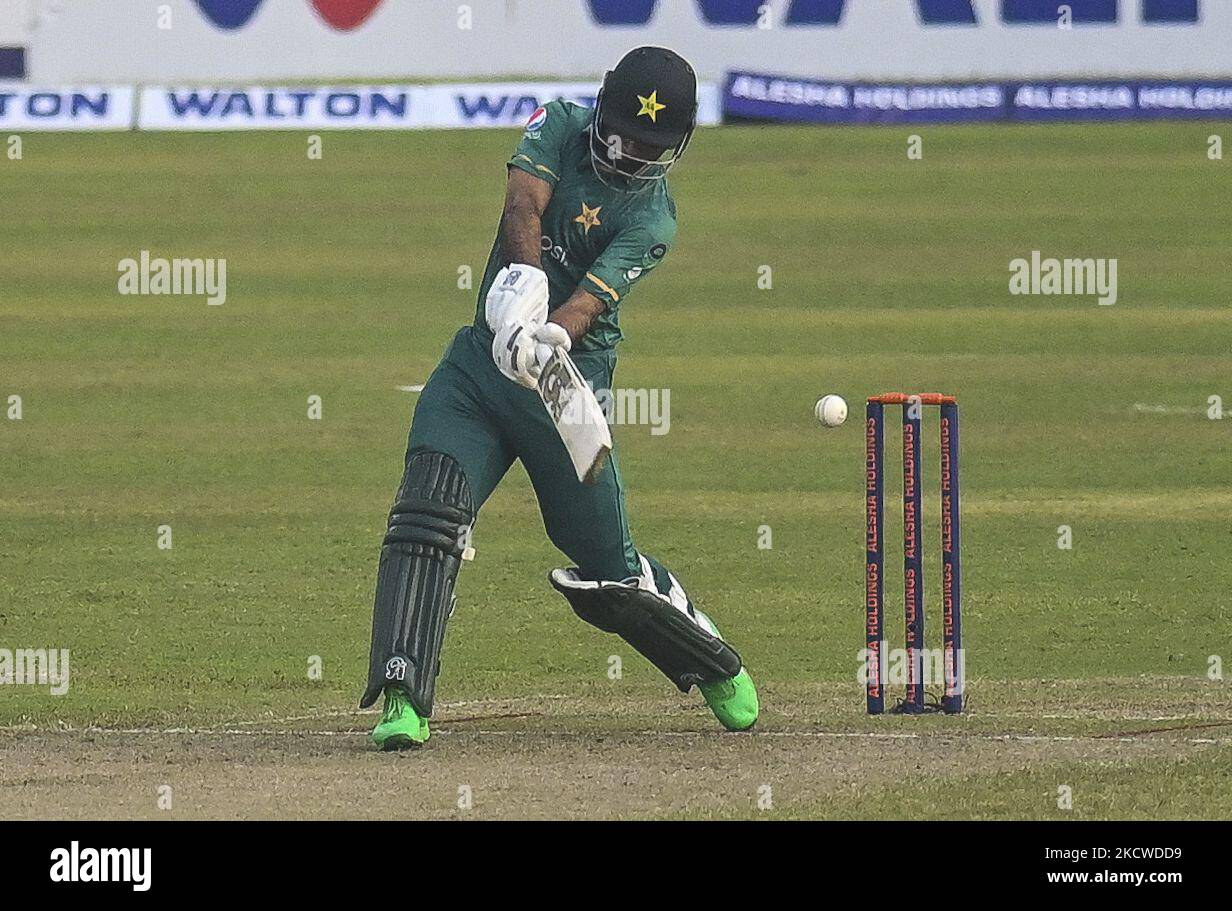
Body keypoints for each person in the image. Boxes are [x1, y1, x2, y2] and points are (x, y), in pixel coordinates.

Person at [359, 46, 758, 749]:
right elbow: (523, 202)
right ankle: (403, 697)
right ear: (602, 110)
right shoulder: (559, 124)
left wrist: (547, 332)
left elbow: (591, 303)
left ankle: (713, 662)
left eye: (651, 148)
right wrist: (520, 286)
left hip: (565, 386)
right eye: (625, 139)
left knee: (607, 574)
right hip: (480, 367)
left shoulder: (655, 219)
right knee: (428, 509)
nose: (633, 158)